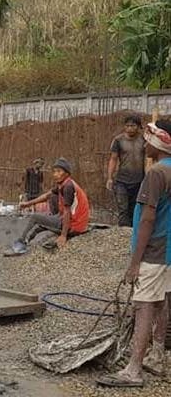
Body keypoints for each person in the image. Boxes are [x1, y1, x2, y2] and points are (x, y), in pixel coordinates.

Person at [97, 120, 171, 388]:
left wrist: (134, 262)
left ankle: (134, 369)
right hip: (169, 251)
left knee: (143, 305)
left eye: (148, 138)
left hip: (154, 250)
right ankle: (157, 356)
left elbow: (148, 220)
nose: (145, 143)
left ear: (157, 142)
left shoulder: (156, 174)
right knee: (162, 300)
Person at [8, 158, 90, 255]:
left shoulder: (68, 187)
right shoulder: (64, 184)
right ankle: (24, 241)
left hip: (74, 225)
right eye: (54, 171)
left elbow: (67, 211)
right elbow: (47, 195)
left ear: (67, 173)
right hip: (74, 221)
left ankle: (21, 245)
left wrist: (63, 236)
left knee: (35, 218)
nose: (55, 174)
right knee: (48, 205)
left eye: (59, 171)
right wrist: (28, 204)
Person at [107, 115, 145, 227]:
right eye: (127, 126)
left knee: (135, 208)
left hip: (139, 180)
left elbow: (149, 158)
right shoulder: (118, 140)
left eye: (133, 125)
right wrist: (109, 178)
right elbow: (113, 159)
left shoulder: (143, 139)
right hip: (122, 181)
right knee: (123, 209)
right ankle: (123, 235)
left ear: (138, 127)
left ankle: (134, 234)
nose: (129, 128)